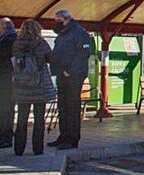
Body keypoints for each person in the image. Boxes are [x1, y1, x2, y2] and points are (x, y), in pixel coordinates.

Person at [12, 19, 56, 156]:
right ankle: (38, 149)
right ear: (38, 29)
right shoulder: (41, 44)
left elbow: (13, 62)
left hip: (22, 86)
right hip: (39, 86)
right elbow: (51, 59)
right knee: (39, 120)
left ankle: (19, 149)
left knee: (21, 119)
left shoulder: (17, 44)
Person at [48, 10, 91, 150]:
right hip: (61, 74)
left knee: (72, 107)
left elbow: (83, 54)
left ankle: (72, 138)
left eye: (58, 20)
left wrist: (70, 71)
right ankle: (63, 135)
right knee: (63, 106)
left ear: (66, 19)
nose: (57, 23)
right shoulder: (63, 34)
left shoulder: (79, 33)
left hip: (73, 75)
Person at [0, 17, 17, 149]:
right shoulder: (9, 38)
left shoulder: (9, 40)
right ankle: (5, 134)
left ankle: (6, 136)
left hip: (6, 78)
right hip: (7, 78)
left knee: (5, 108)